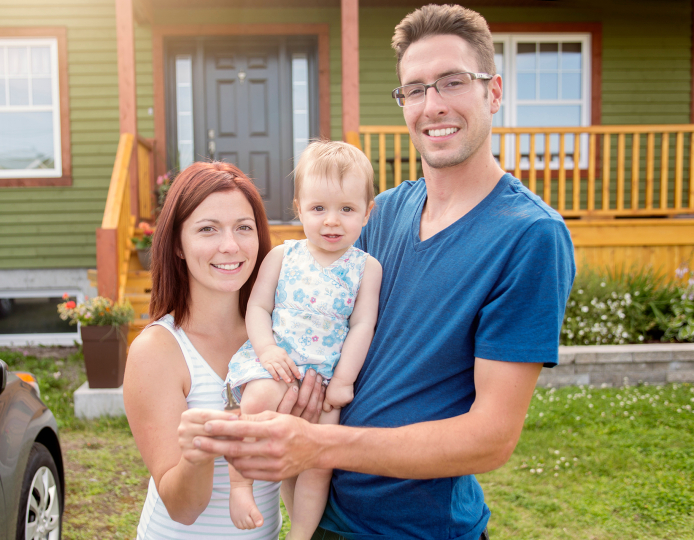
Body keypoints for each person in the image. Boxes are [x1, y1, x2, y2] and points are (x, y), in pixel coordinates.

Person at [193, 5, 576, 540]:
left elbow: (492, 438)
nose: (432, 104)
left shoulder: (529, 236)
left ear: (493, 92)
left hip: (416, 528)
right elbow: (300, 305)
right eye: (414, 89)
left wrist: (317, 444)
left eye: (453, 82)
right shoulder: (382, 213)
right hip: (323, 513)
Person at [123, 161, 326, 540]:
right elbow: (183, 509)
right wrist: (201, 450)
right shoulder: (157, 351)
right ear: (178, 246)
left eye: (243, 228)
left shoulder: (285, 336)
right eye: (207, 229)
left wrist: (301, 438)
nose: (230, 246)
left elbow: (291, 479)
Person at [223, 141, 382, 539]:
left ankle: (302, 534)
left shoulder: (366, 268)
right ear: (299, 208)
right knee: (257, 403)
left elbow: (363, 325)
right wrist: (267, 349)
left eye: (346, 209)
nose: (332, 221)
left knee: (318, 458)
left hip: (325, 378)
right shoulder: (282, 255)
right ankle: (241, 487)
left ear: (368, 211)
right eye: (318, 209)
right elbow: (258, 308)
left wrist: (344, 379)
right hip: (279, 364)